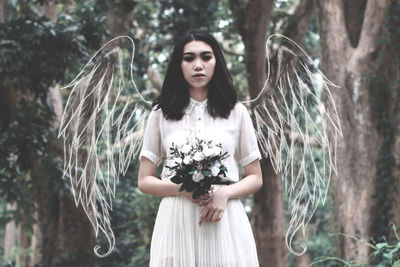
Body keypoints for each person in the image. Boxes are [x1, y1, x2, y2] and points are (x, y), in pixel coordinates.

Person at [138, 29, 263, 267]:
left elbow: (255, 177)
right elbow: (144, 181)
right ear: (179, 64)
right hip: (176, 221)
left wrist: (224, 194)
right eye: (189, 58)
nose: (198, 65)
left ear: (217, 62)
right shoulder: (160, 114)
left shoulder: (237, 113)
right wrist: (182, 189)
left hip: (225, 220)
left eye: (206, 57)